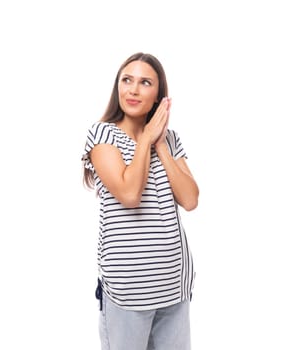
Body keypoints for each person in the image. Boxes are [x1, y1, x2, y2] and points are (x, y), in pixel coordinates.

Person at [81, 52, 199, 350]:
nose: (133, 90)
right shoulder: (102, 134)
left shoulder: (169, 140)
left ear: (159, 95)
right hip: (127, 291)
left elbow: (190, 198)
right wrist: (145, 139)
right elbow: (130, 194)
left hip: (174, 287)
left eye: (145, 82)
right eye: (127, 80)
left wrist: (160, 144)